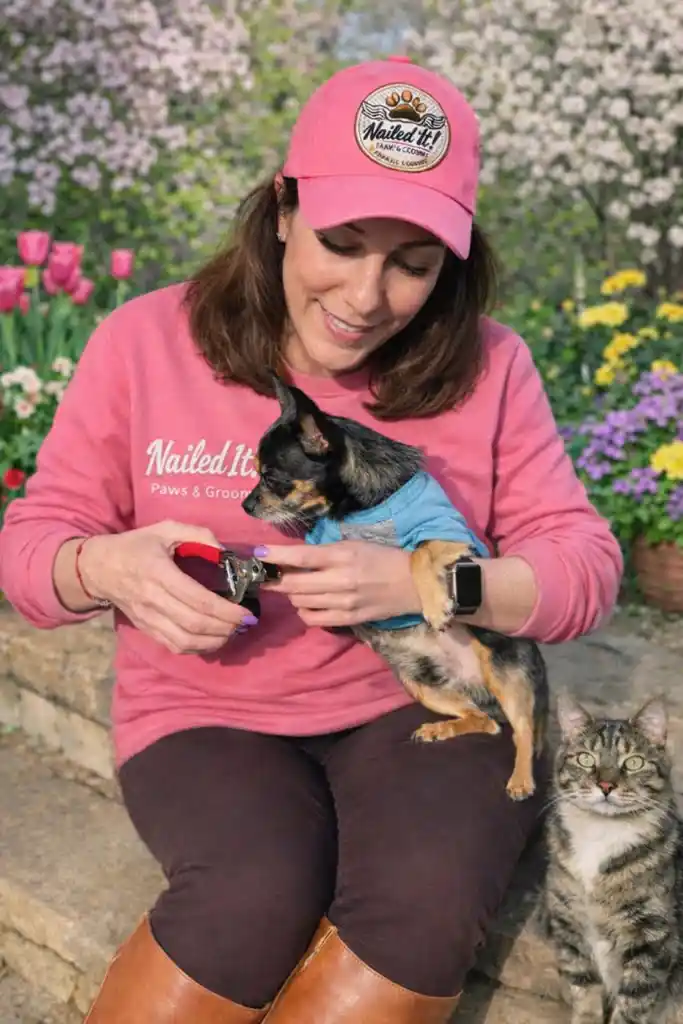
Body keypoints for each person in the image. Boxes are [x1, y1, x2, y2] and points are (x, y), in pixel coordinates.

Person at [0, 55, 623, 1023]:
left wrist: (427, 585)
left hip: (422, 704)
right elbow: (31, 549)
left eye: (412, 263)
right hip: (204, 714)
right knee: (249, 895)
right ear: (283, 209)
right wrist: (105, 565)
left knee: (422, 906)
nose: (367, 295)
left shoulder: (492, 366)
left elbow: (583, 567)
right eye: (342, 241)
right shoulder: (144, 341)